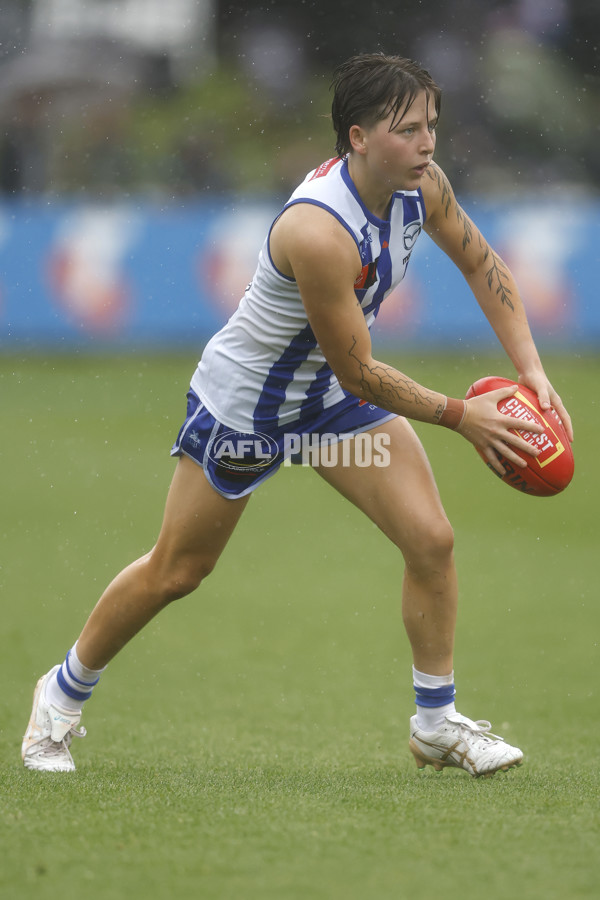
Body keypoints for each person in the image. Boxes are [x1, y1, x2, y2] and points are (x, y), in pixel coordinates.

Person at [22, 52, 572, 777]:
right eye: (409, 130)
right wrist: (461, 416)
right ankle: (58, 699)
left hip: (333, 413)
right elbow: (363, 370)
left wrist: (531, 370)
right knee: (178, 570)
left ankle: (437, 724)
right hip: (249, 416)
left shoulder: (421, 187)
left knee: (431, 540)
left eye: (433, 126)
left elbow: (481, 263)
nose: (429, 144)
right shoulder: (319, 231)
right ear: (358, 138)